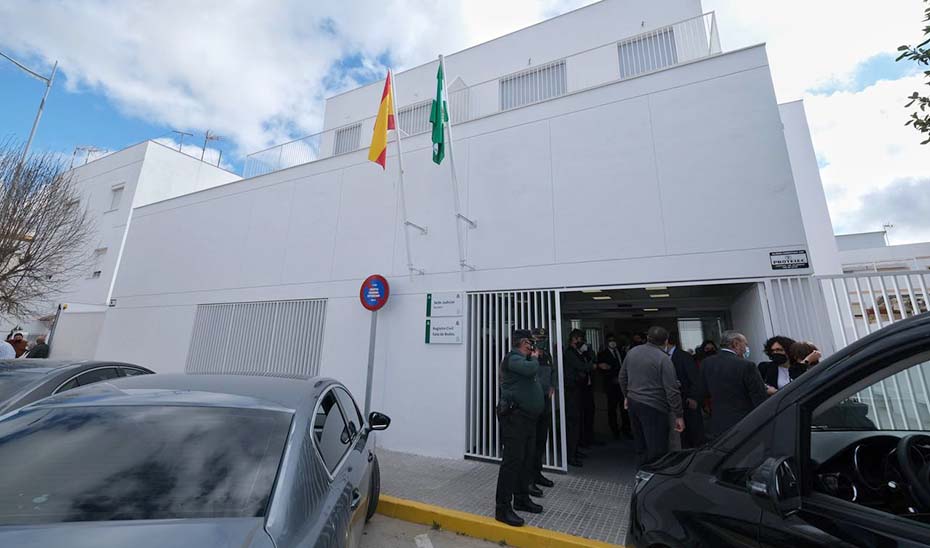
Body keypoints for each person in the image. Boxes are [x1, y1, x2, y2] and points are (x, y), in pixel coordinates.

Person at [495, 330, 545, 527]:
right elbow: (532, 370)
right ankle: (502, 508)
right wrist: (533, 358)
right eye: (530, 343)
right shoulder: (512, 359)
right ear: (523, 343)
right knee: (512, 462)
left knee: (526, 459)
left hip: (528, 419)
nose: (533, 346)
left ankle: (522, 498)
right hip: (515, 419)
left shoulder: (523, 359)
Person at [620, 326, 684, 466]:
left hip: (633, 404)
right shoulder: (663, 358)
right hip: (654, 407)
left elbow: (622, 377)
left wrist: (626, 396)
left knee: (640, 445)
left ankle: (641, 475)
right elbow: (672, 390)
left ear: (647, 338)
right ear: (666, 341)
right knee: (657, 449)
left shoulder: (632, 352)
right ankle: (654, 481)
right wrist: (678, 415)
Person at [700, 331, 772, 439]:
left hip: (718, 422)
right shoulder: (747, 365)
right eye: (745, 344)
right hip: (744, 423)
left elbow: (704, 390)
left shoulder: (707, 363)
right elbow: (759, 398)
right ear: (736, 344)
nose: (746, 348)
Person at [666, 332, 704, 448]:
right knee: (680, 435)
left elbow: (695, 379)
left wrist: (693, 397)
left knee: (693, 433)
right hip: (674, 402)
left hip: (687, 400)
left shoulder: (683, 356)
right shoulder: (663, 357)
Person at [530, 327, 556, 491]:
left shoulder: (546, 354)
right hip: (533, 402)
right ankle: (528, 480)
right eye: (538, 338)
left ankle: (537, 473)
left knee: (541, 440)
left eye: (543, 337)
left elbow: (552, 371)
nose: (541, 340)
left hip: (545, 400)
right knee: (531, 443)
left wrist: (552, 385)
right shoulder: (528, 355)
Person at [562, 329, 593, 467]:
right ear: (574, 339)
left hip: (578, 390)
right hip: (572, 390)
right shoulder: (570, 353)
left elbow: (588, 362)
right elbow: (583, 367)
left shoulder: (579, 352)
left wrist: (588, 352)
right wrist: (591, 365)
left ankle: (575, 450)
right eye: (580, 338)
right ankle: (570, 455)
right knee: (572, 423)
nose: (582, 341)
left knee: (577, 421)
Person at [597, 334, 631, 440]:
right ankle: (614, 431)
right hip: (611, 385)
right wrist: (612, 376)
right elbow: (601, 369)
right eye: (610, 341)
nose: (613, 342)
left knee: (624, 408)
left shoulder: (621, 352)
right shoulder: (602, 354)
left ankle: (626, 429)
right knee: (612, 409)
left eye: (614, 340)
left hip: (622, 385)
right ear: (607, 342)